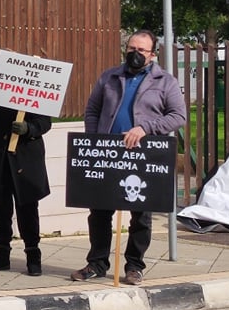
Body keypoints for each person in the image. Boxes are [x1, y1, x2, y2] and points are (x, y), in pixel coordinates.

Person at [70, 29, 186, 285]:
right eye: (131, 49)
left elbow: (178, 116)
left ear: (152, 55)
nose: (134, 54)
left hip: (143, 157)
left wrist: (146, 128)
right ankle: (97, 263)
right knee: (99, 212)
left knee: (141, 215)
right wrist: (95, 138)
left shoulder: (165, 81)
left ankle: (134, 266)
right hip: (109, 154)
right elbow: (93, 109)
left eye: (141, 50)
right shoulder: (109, 77)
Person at [0, 49, 51, 276]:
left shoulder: (31, 93)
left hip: (23, 161)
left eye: (0, 67)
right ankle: (2, 254)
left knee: (27, 210)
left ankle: (33, 256)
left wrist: (29, 129)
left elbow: (44, 122)